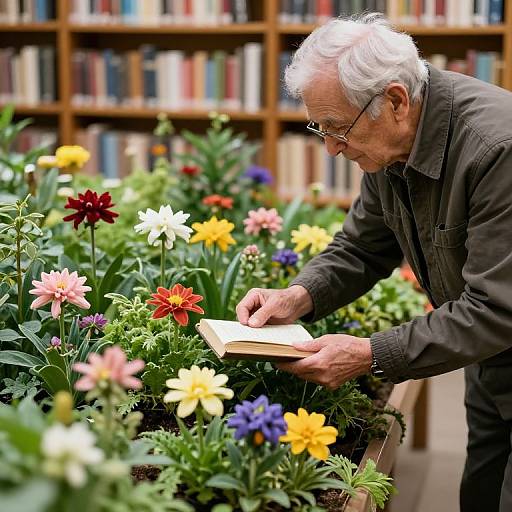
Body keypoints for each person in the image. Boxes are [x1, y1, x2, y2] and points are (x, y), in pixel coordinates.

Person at [235, 13, 512, 512]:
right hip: (490, 361)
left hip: (498, 333)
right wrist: (299, 296)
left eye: (338, 128)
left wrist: (371, 353)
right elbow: (363, 246)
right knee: (483, 494)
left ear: (396, 101)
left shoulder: (497, 151)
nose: (331, 148)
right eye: (320, 126)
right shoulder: (390, 143)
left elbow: (496, 309)